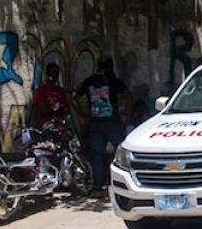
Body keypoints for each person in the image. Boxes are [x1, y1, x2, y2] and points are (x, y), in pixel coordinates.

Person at [74, 57, 130, 192]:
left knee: (97, 155)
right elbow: (128, 95)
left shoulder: (90, 81)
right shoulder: (114, 81)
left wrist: (82, 114)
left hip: (95, 123)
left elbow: (74, 96)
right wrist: (125, 114)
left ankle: (98, 186)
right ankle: (122, 185)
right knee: (120, 154)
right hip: (113, 123)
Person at [31, 63, 71, 129]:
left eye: (57, 73)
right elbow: (41, 109)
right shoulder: (40, 90)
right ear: (47, 73)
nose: (55, 75)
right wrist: (56, 107)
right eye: (53, 72)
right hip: (47, 124)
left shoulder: (60, 90)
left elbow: (66, 108)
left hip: (60, 124)